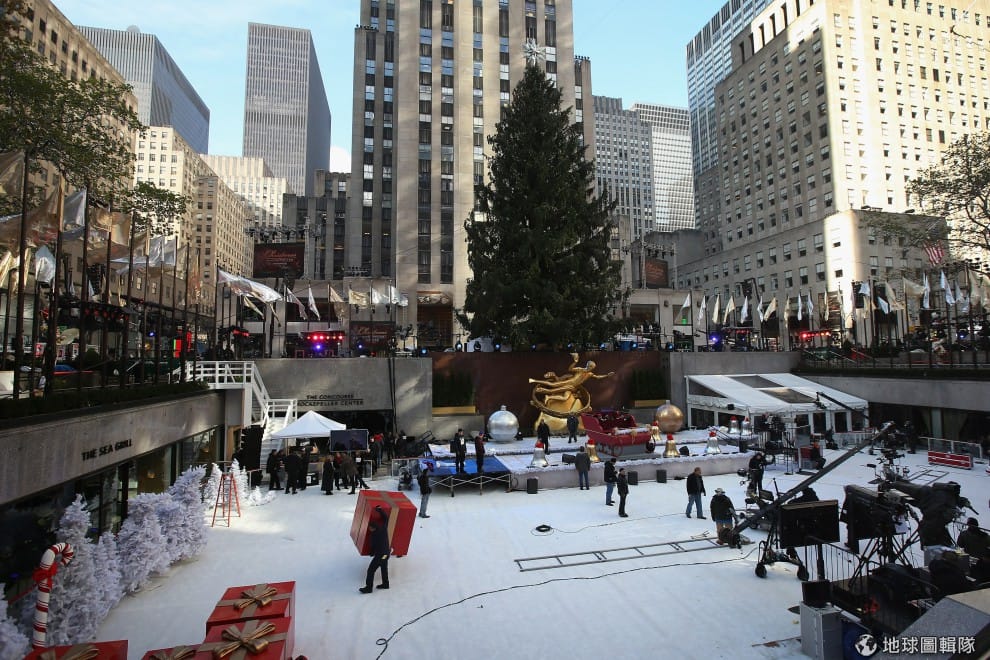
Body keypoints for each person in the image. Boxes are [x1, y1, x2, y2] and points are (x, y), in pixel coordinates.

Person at [359, 506, 391, 594]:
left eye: (370, 528)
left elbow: (373, 547)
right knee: (384, 568)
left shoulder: (373, 536)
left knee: (370, 570)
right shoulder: (383, 529)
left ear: (373, 528)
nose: (369, 529)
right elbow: (386, 519)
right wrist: (380, 510)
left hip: (380, 555)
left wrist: (371, 553)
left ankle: (368, 588)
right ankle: (385, 584)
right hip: (386, 554)